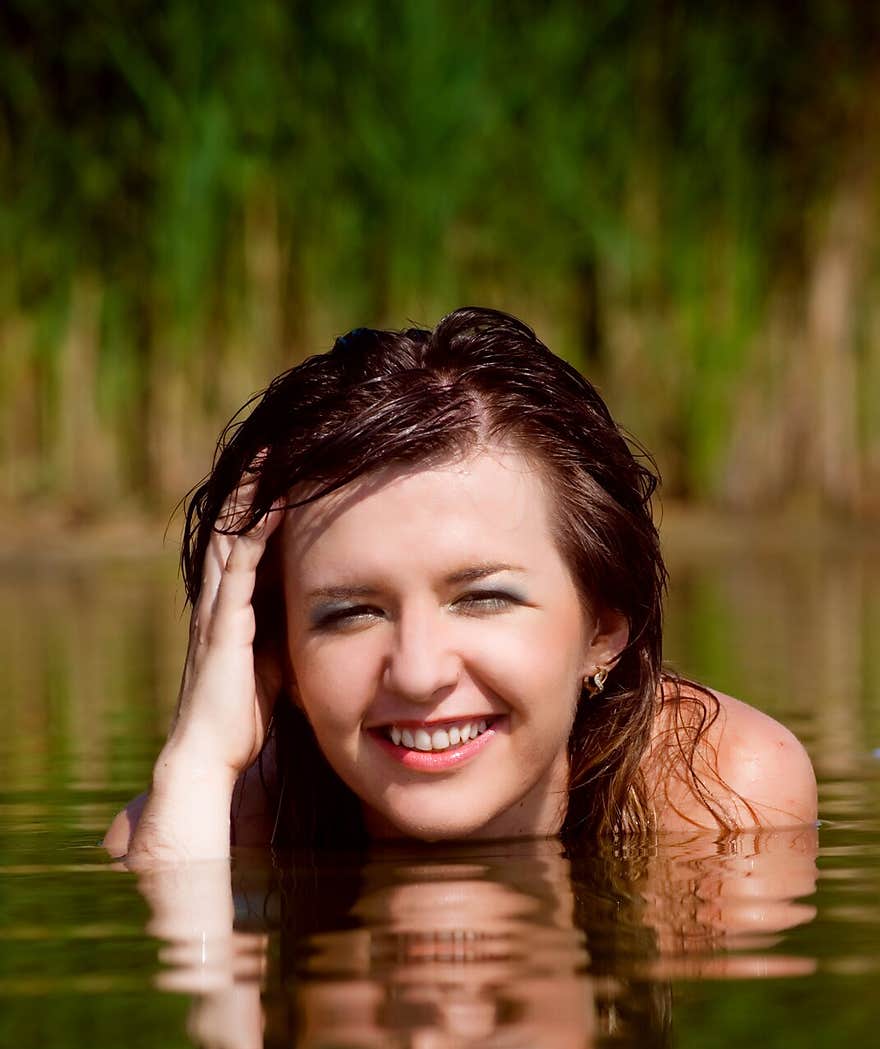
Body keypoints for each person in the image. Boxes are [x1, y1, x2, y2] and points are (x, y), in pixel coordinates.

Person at [104, 306, 817, 865]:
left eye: (483, 598)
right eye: (351, 612)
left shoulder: (723, 797)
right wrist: (199, 759)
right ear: (280, 656)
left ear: (603, 628)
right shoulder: (207, 819)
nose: (418, 673)